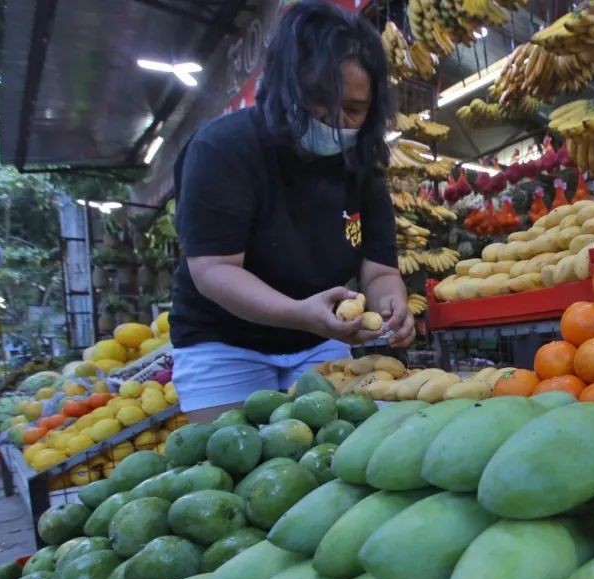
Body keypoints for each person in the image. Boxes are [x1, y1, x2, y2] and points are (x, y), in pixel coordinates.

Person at [169, 0, 413, 422]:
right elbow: (212, 269)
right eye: (321, 101)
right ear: (287, 84)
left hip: (319, 342)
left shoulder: (362, 164)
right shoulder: (223, 149)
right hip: (224, 342)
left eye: (353, 110)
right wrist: (297, 313)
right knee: (230, 467)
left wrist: (392, 306)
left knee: (337, 460)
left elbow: (379, 269)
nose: (336, 122)